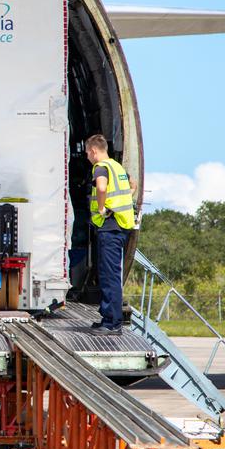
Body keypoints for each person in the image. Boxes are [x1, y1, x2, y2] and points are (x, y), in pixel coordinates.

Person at [85, 134, 136, 336]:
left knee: (109, 276)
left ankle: (112, 323)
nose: (88, 156)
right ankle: (108, 317)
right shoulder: (118, 167)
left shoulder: (101, 168)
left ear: (94, 151)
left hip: (110, 227)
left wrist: (101, 208)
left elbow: (102, 187)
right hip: (120, 226)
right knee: (110, 274)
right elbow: (133, 185)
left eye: (88, 153)